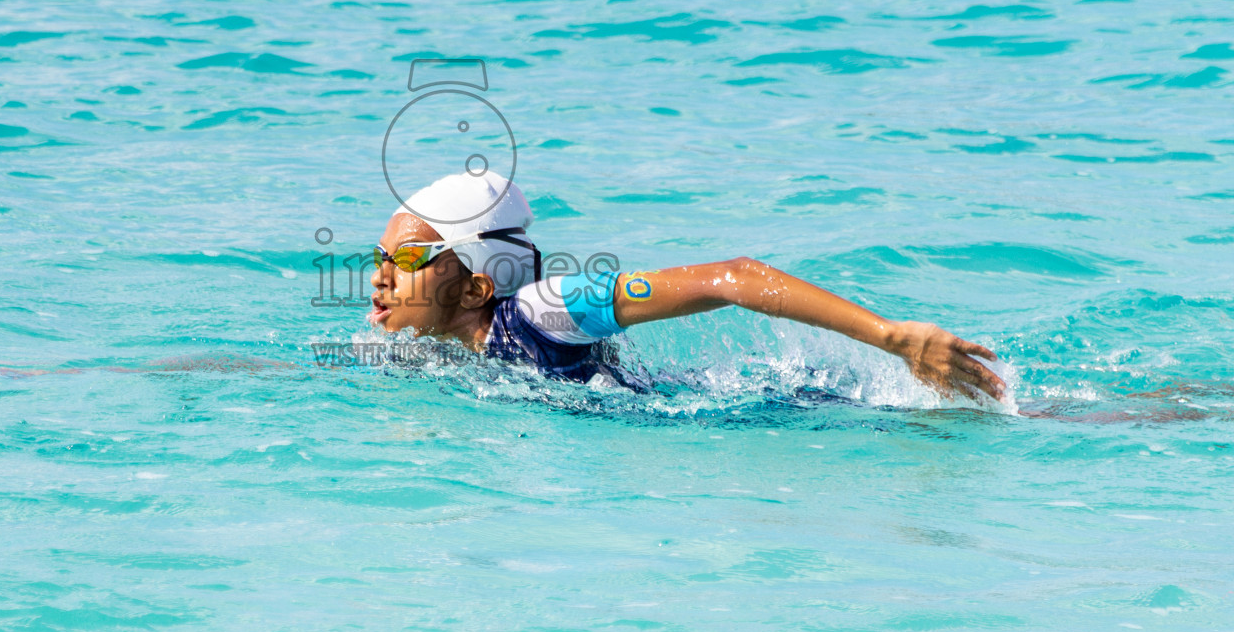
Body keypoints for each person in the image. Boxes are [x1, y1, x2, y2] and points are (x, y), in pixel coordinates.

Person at [368, 170, 1006, 402]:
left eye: (408, 254)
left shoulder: (546, 308)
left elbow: (735, 278)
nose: (380, 274)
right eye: (379, 254)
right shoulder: (429, 350)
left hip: (766, 422)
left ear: (478, 288)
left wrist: (892, 338)